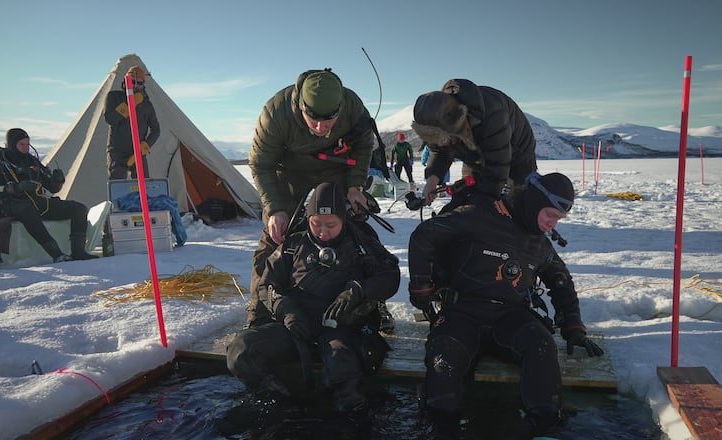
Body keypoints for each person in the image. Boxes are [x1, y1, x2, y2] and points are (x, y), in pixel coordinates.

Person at [407, 172, 603, 439]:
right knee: (444, 360)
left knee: (541, 344)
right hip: (462, 312)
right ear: (535, 203)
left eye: (558, 218)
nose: (552, 223)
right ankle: (442, 428)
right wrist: (421, 289)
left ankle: (545, 428)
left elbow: (560, 281)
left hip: (510, 316)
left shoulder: (539, 244)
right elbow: (423, 236)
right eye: (550, 214)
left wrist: (573, 325)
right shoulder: (478, 215)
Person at [226, 182, 400, 427]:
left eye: (331, 225)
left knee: (342, 365)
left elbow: (390, 275)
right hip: (297, 326)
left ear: (343, 219)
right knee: (240, 350)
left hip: (342, 328)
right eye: (316, 224)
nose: (323, 232)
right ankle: (279, 406)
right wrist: (286, 310)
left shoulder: (361, 244)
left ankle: (351, 423)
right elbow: (267, 284)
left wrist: (358, 291)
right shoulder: (292, 246)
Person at [247, 68, 398, 331]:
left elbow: (364, 147)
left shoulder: (353, 107)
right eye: (313, 119)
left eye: (328, 120)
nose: (320, 127)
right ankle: (259, 313)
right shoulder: (275, 114)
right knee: (273, 241)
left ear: (340, 108)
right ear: (300, 106)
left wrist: (355, 186)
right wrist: (276, 209)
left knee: (356, 234)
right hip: (289, 177)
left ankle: (371, 302)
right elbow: (260, 164)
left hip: (336, 171)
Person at [412, 78, 536, 207]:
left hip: (517, 155)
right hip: (473, 154)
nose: (441, 144)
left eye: (444, 139)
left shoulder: (493, 115)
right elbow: (439, 151)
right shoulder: (437, 117)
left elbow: (497, 169)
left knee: (516, 202)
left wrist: (482, 203)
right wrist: (432, 181)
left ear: (457, 126)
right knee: (467, 194)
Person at [0, 128, 99, 263]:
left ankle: (78, 251)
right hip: (12, 204)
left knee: (79, 208)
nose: (26, 148)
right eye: (22, 144)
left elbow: (52, 188)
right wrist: (16, 188)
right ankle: (57, 254)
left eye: (27, 144)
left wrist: (57, 181)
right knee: (27, 209)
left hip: (38, 203)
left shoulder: (32, 162)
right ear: (12, 145)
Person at [104, 65, 160, 180]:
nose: (135, 85)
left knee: (144, 187)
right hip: (117, 153)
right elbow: (110, 119)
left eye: (139, 83)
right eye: (132, 81)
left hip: (137, 154)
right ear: (126, 81)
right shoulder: (114, 97)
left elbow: (156, 129)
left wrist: (145, 145)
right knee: (118, 190)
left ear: (143, 84)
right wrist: (129, 105)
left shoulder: (146, 105)